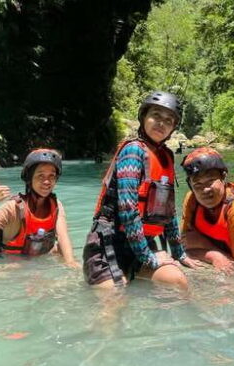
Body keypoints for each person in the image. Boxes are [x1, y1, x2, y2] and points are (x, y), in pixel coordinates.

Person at [82, 91, 200, 289]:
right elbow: (128, 209)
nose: (161, 123)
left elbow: (169, 211)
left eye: (168, 120)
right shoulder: (133, 151)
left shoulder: (166, 156)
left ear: (173, 127)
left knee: (177, 281)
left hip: (142, 245)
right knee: (116, 295)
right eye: (156, 115)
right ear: (143, 117)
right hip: (107, 245)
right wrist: (149, 258)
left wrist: (179, 254)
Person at [0, 148, 78, 265]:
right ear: (29, 178)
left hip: (40, 260)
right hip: (10, 263)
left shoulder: (55, 205)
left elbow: (62, 237)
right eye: (41, 176)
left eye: (52, 176)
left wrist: (71, 263)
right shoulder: (13, 208)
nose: (47, 181)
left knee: (68, 259)